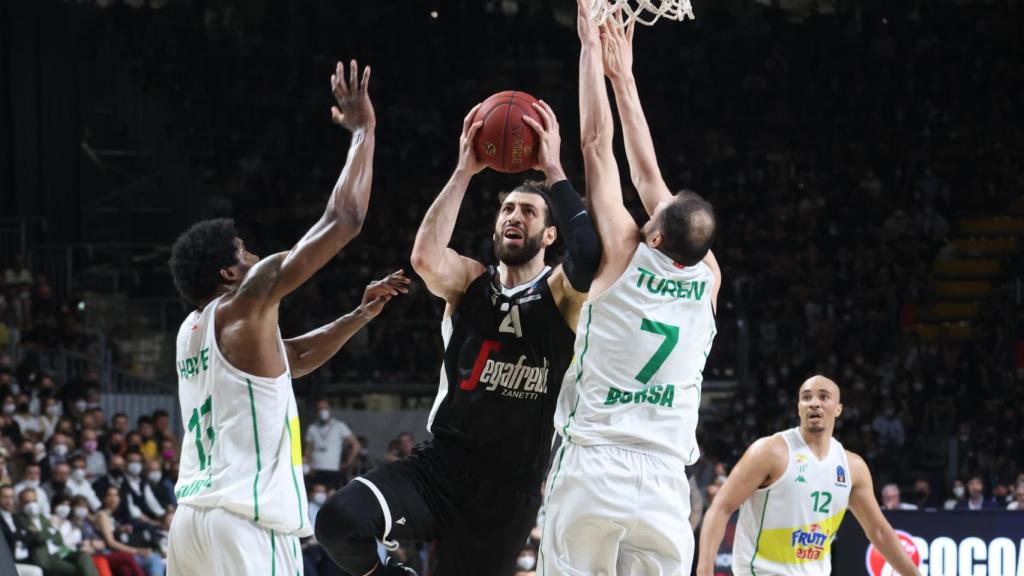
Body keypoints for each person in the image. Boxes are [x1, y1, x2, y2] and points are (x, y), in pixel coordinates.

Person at [315, 65, 601, 576]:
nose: (514, 216)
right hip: (441, 464)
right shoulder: (471, 281)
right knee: (337, 521)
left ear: (549, 235)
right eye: (507, 209)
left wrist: (555, 171)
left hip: (509, 491)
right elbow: (425, 257)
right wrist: (465, 171)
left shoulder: (561, 295)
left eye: (529, 212)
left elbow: (590, 255)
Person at [164, 60, 409, 575]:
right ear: (229, 274)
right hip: (244, 522)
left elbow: (290, 358)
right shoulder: (244, 303)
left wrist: (359, 315)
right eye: (244, 251)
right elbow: (345, 220)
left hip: (191, 522)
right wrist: (364, 131)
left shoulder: (193, 333)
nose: (254, 257)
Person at [539, 4, 720, 573]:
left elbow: (597, 144)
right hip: (667, 482)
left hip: (596, 463)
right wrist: (628, 78)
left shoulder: (622, 252)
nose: (652, 201)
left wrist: (593, 52)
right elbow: (650, 179)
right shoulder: (710, 274)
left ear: (658, 236)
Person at [696, 376, 920, 576]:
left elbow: (879, 531)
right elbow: (721, 507)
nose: (814, 402)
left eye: (824, 397)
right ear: (799, 408)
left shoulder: (852, 467)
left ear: (839, 409)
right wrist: (704, 570)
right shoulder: (770, 451)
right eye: (806, 397)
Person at [304, 399, 361, 488]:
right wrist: (307, 465)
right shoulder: (313, 428)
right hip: (315, 469)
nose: (322, 411)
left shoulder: (339, 426)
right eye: (320, 409)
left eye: (325, 408)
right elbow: (308, 450)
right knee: (315, 496)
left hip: (333, 469)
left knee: (332, 497)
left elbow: (356, 445)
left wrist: (348, 463)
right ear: (317, 411)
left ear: (329, 409)